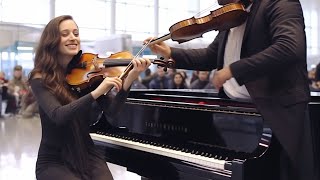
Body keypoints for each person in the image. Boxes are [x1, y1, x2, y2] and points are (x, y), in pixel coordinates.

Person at [145, 0, 318, 180]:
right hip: (237, 113)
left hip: (277, 112)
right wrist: (170, 52)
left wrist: (233, 70)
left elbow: (289, 47)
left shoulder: (280, 3)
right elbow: (210, 56)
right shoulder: (230, 14)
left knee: (280, 173)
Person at [28, 15, 151, 180]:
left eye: (76, 33)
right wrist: (96, 92)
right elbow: (58, 115)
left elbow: (112, 112)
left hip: (87, 153)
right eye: (65, 34)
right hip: (54, 159)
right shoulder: (40, 77)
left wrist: (129, 79)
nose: (73, 38)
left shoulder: (88, 75)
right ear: (52, 40)